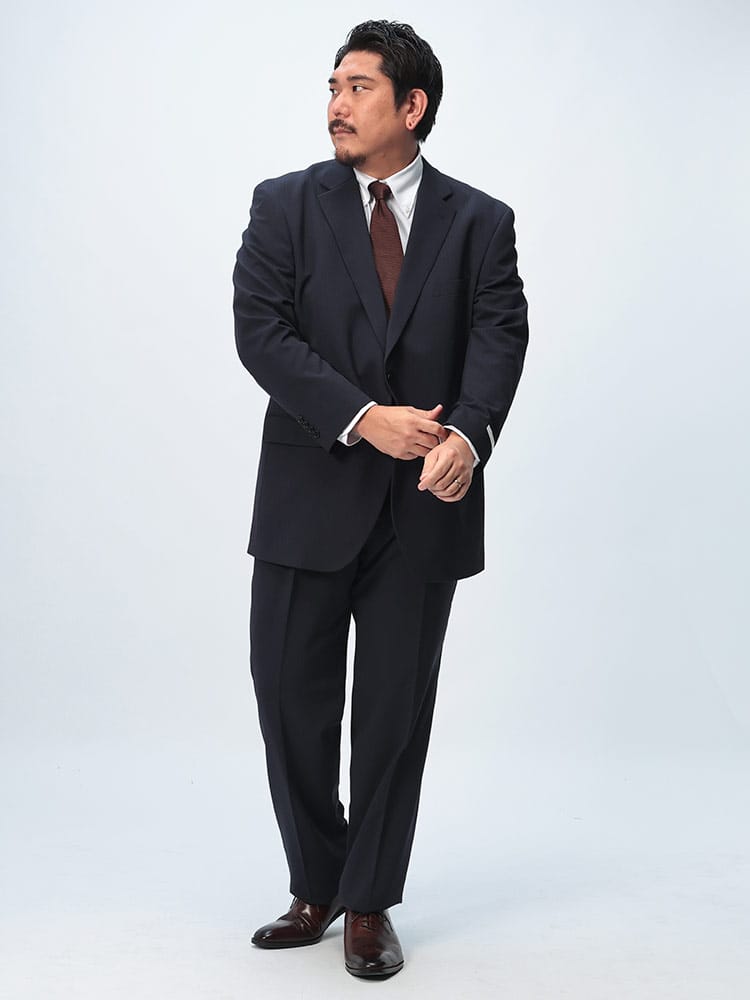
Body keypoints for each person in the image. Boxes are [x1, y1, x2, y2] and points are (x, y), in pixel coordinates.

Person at [232, 19, 528, 980]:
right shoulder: (284, 205)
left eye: (358, 87)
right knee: (290, 704)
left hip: (423, 508)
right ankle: (316, 882)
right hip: (308, 494)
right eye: (332, 86)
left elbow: (500, 338)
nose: (336, 104)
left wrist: (468, 440)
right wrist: (365, 419)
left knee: (393, 718)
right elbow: (262, 334)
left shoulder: (480, 221)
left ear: (413, 106)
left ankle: (367, 903)